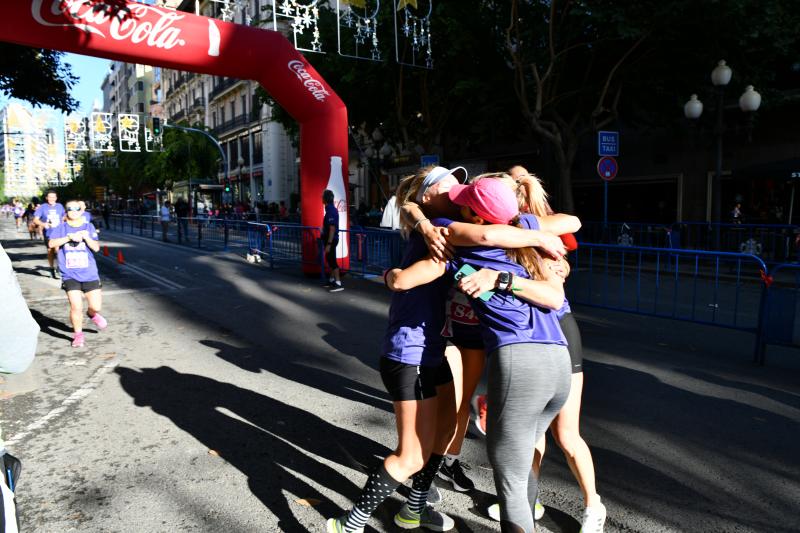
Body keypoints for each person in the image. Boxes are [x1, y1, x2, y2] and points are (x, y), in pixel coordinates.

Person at [390, 178, 572, 532]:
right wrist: (534, 246)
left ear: (474, 215)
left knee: (511, 485)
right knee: (524, 466)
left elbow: (415, 213)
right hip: (559, 364)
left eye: (463, 201)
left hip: (520, 362)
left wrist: (498, 278)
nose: (455, 202)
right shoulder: (528, 233)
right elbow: (554, 298)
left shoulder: (459, 236)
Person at [325, 167, 463, 533]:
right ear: (429, 195)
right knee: (412, 454)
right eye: (446, 181)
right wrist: (394, 276)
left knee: (445, 433)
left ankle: (413, 509)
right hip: (409, 354)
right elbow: (404, 278)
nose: (456, 184)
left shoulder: (437, 222)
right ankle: (350, 523)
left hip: (433, 349)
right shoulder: (440, 229)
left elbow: (410, 208)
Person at [47, 200, 107, 348]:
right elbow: (51, 244)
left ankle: (92, 314)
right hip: (70, 274)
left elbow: (96, 248)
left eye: (76, 209)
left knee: (96, 306)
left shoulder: (88, 226)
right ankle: (78, 335)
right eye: (70, 209)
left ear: (82, 211)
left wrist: (86, 237)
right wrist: (68, 238)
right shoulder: (61, 228)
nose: (73, 211)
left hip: (89, 273)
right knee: (76, 306)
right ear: (66, 211)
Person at [33, 190, 66, 279]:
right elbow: (35, 220)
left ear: (56, 198)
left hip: (59, 232)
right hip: (49, 233)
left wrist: (64, 221)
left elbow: (64, 216)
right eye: (50, 197)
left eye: (53, 197)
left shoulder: (60, 206)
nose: (52, 199)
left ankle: (60, 268)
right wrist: (44, 224)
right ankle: (52, 268)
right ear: (47, 198)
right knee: (50, 251)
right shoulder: (43, 207)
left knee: (58, 249)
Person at [322, 189, 343, 293]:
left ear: (325, 199)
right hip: (332, 239)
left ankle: (338, 283)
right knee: (330, 259)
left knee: (332, 261)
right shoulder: (331, 210)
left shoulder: (330, 211)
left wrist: (329, 244)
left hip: (331, 239)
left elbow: (332, 228)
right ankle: (331, 280)